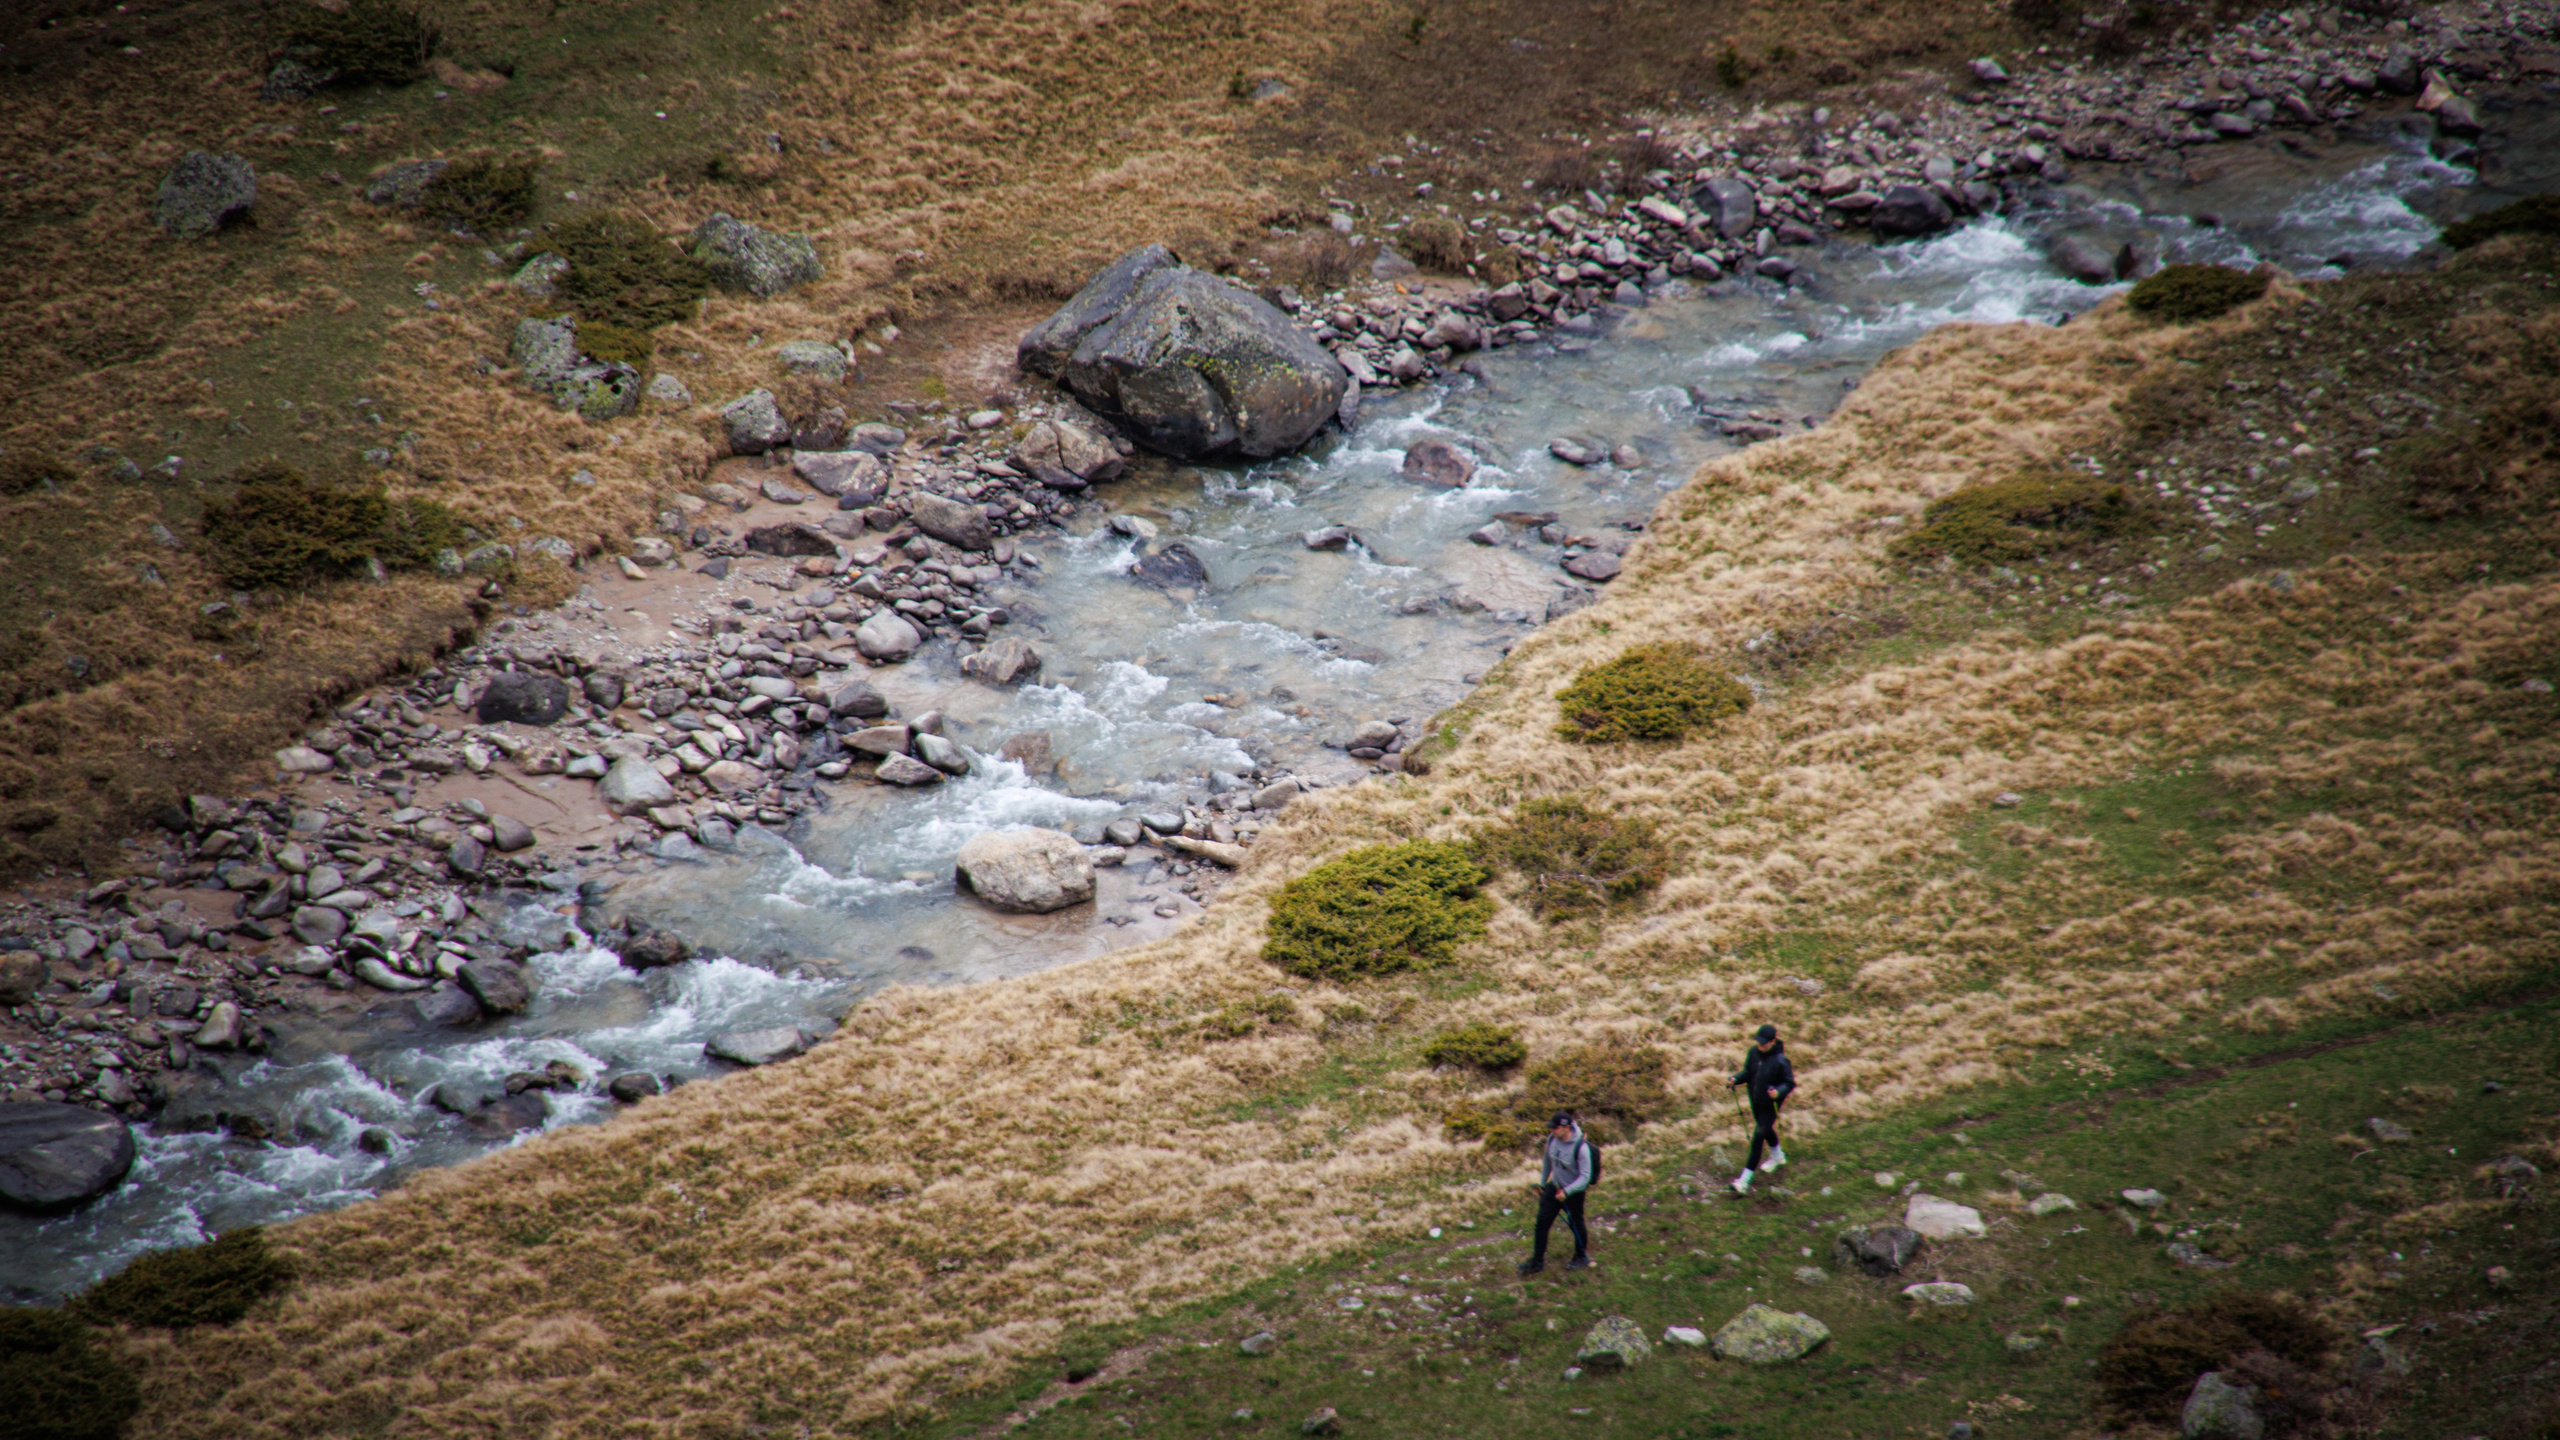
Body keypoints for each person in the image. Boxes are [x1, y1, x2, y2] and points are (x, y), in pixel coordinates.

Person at [1515, 1111, 1594, 1274]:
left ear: (1566, 1127)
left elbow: (1585, 1177)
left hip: (1573, 1193)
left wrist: (1568, 1191)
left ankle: (1580, 1256)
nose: (1552, 1131)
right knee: (1542, 1223)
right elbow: (1547, 1161)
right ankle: (1537, 1262)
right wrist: (1543, 1184)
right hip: (1554, 1188)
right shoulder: (1553, 1140)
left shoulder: (1581, 1148)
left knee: (1576, 1224)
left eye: (1556, 1128)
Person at [1728, 1023, 1795, 1194]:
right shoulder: (1753, 1053)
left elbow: (1789, 1083)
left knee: (1758, 1137)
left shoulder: (1781, 1061)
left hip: (1771, 1104)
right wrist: (1735, 1079)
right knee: (1765, 1130)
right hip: (1756, 1101)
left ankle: (1744, 1181)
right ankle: (1778, 1156)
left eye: (1764, 1043)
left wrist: (1778, 1092)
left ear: (1773, 1041)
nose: (1760, 1045)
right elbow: (1748, 1074)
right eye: (1759, 1042)